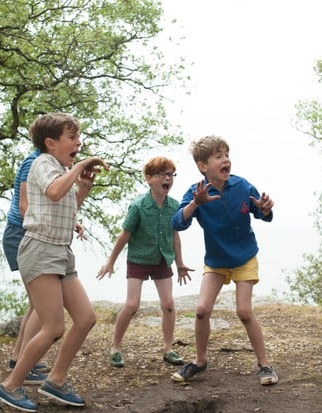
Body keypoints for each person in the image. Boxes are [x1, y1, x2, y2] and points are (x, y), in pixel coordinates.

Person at [0, 112, 109, 412]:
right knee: (53, 326)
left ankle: (55, 380)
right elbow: (55, 192)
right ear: (50, 142)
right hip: (40, 249)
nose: (79, 142)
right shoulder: (42, 163)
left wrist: (82, 187)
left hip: (61, 251)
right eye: (72, 137)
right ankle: (11, 385)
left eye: (78, 136)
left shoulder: (59, 167)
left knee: (86, 318)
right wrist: (81, 166)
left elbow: (66, 205)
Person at [169, 135, 278, 386]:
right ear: (203, 166)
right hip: (216, 261)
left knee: (244, 311)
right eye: (218, 156)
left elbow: (263, 213)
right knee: (201, 310)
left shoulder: (241, 185)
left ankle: (265, 365)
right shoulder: (196, 192)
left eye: (227, 155)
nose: (225, 160)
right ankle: (199, 360)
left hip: (244, 257)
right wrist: (196, 203)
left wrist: (264, 209)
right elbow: (177, 222)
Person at [96, 156, 193, 369]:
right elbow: (124, 235)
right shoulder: (138, 206)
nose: (167, 178)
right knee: (132, 305)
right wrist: (110, 262)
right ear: (149, 179)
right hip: (138, 258)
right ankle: (115, 347)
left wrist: (180, 263)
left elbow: (175, 236)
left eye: (170, 175)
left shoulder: (174, 206)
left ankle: (168, 348)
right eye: (162, 174)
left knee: (168, 304)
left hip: (162, 258)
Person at [2, 148, 48, 384]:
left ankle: (19, 358)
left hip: (27, 233)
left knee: (36, 304)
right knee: (42, 306)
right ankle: (22, 364)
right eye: (71, 137)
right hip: (22, 234)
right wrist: (44, 231)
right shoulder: (33, 162)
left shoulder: (44, 161)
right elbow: (24, 206)